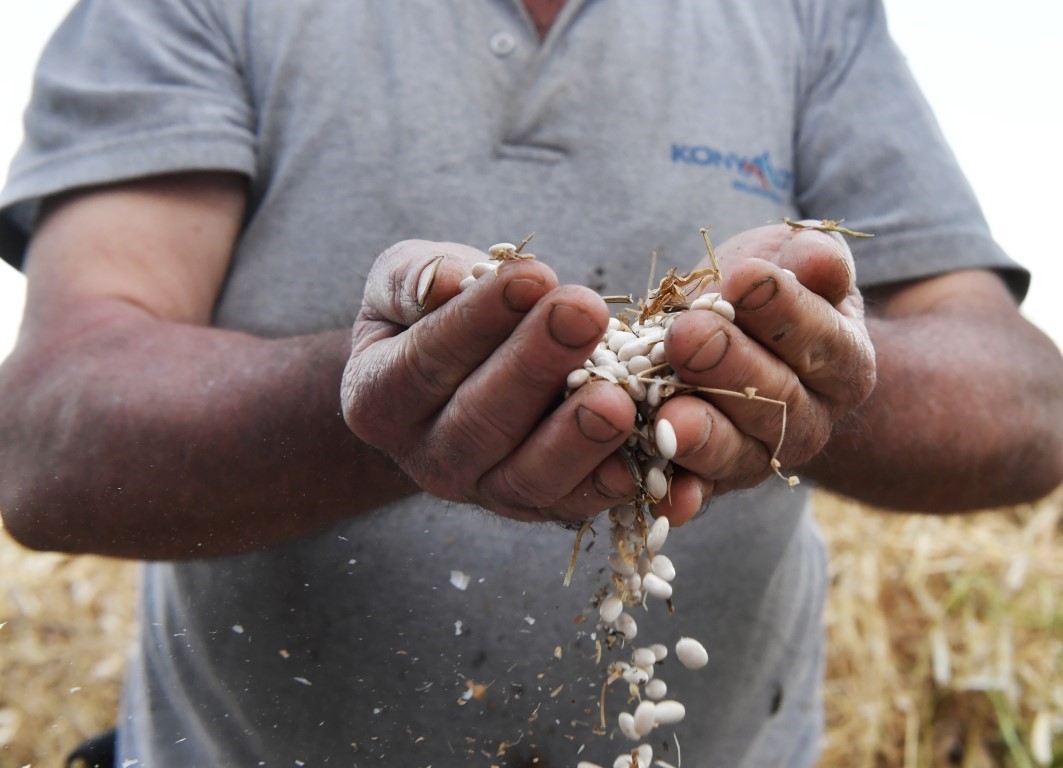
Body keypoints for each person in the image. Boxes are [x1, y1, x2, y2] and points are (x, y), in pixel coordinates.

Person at [1, 1, 1060, 766]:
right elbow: (46, 439)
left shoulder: (805, 19)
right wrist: (388, 400)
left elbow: (1025, 404)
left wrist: (811, 371)